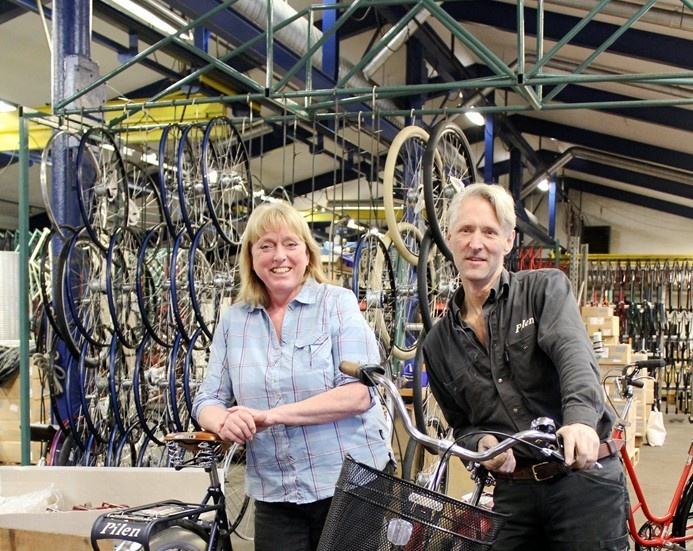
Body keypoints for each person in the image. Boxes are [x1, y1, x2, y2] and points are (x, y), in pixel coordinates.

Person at [422, 183, 629, 551]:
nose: (476, 243)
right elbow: (462, 425)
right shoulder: (438, 344)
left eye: (489, 231)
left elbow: (574, 355)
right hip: (515, 492)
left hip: (581, 479)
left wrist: (580, 420)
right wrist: (483, 443)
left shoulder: (544, 290)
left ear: (508, 241)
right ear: (449, 237)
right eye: (466, 230)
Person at [192, 201, 394, 551]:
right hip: (276, 490)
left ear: (307, 252)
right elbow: (206, 400)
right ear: (251, 257)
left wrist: (271, 417)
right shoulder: (234, 322)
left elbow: (359, 394)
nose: (278, 256)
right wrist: (223, 422)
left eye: (290, 244)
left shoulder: (337, 304)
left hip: (351, 484)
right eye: (266, 246)